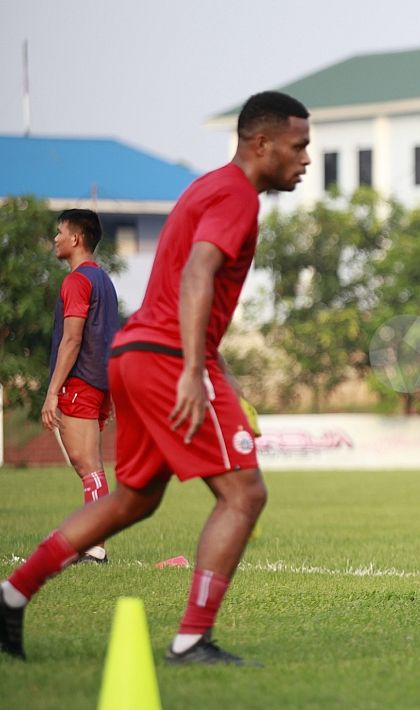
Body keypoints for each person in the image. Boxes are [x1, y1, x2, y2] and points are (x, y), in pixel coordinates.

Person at [1, 91, 311, 664]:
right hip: (168, 358)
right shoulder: (236, 195)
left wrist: (215, 371)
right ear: (260, 143)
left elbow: (184, 284)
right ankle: (192, 640)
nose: (306, 159)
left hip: (137, 352)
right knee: (244, 493)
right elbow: (197, 274)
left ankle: (12, 593)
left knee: (135, 499)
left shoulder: (207, 186)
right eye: (299, 146)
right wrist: (194, 368)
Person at [41, 209, 120, 564]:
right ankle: (91, 543)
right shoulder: (104, 280)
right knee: (91, 467)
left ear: (76, 239)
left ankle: (95, 547)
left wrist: (52, 390)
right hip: (101, 381)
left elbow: (72, 340)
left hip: (81, 381)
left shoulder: (76, 280)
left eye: (59, 232)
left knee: (87, 466)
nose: (55, 238)